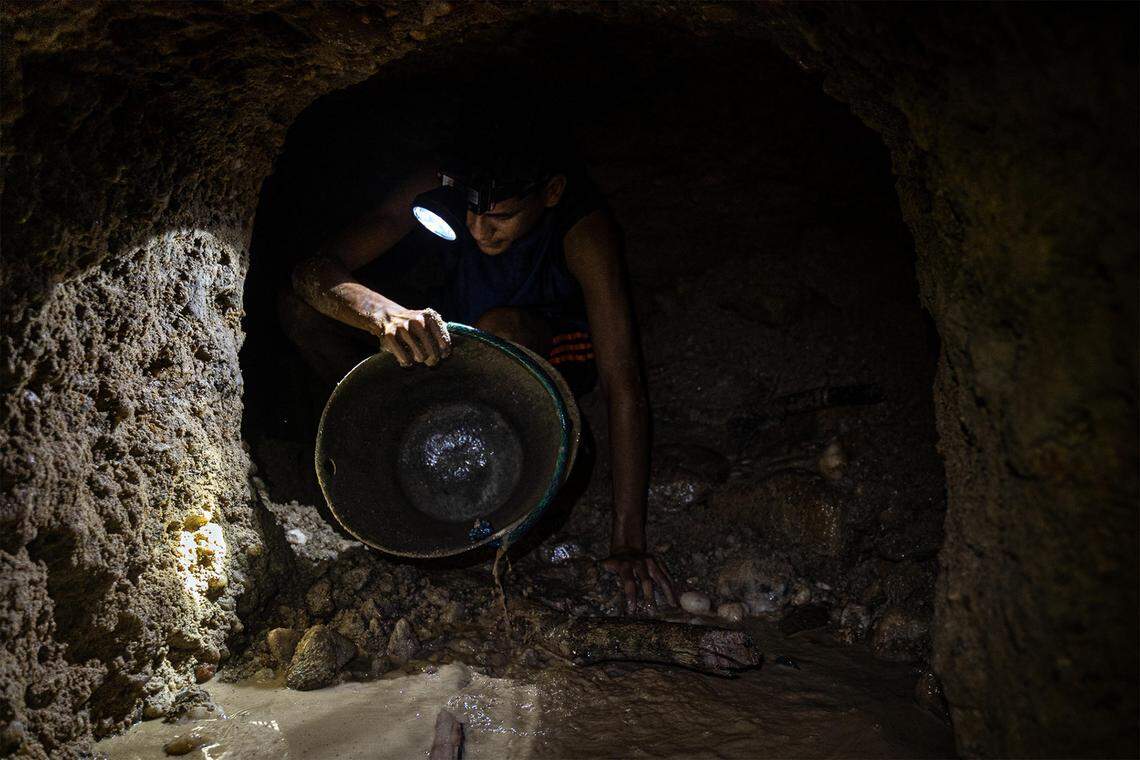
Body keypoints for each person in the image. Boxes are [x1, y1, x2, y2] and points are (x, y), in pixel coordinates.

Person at [280, 125, 676, 611]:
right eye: (470, 211)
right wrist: (382, 314)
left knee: (498, 327)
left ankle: (505, 489)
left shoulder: (583, 231)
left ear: (550, 193)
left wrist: (627, 542)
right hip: (453, 340)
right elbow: (312, 272)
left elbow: (624, 386)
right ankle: (376, 427)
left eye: (500, 217)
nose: (477, 229)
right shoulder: (441, 181)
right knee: (298, 310)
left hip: (541, 351)